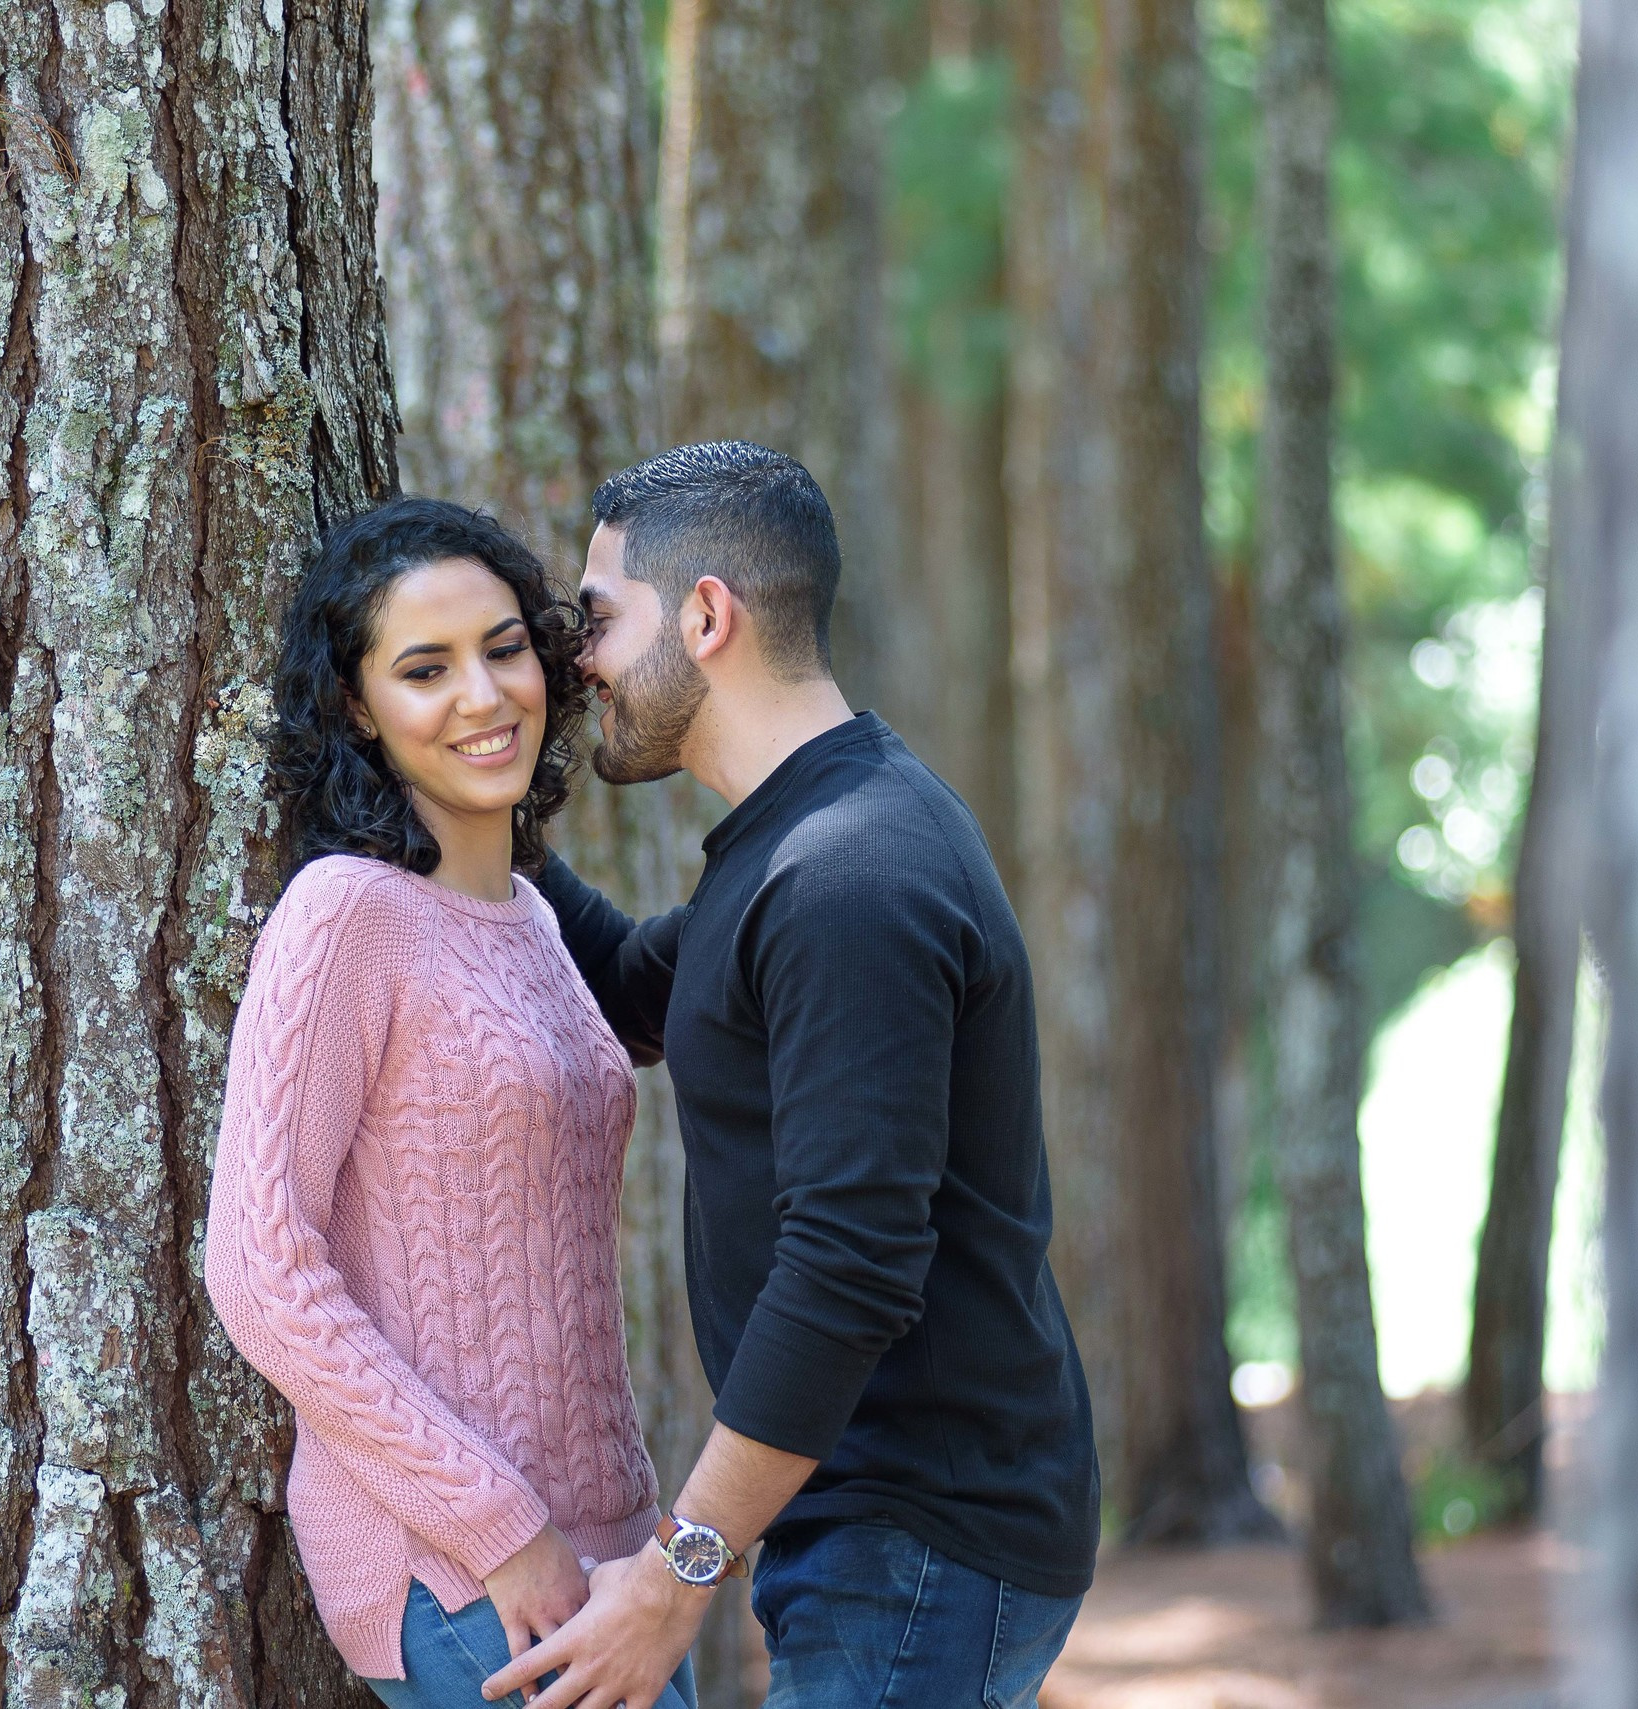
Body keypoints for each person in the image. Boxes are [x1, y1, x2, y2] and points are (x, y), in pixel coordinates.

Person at [480, 442, 1100, 1709]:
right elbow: (625, 988)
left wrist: (677, 1570)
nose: (575, 660)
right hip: (888, 1521)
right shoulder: (799, 840)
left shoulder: (847, 877)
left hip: (922, 1534)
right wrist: (463, 779)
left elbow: (850, 1261)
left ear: (705, 614)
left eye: (595, 620)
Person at [203, 496, 699, 1709]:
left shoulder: (531, 920)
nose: (482, 695)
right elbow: (259, 1267)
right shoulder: (346, 916)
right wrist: (496, 1526)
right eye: (425, 669)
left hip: (603, 1548)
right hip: (460, 1564)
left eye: (503, 647)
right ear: (359, 709)